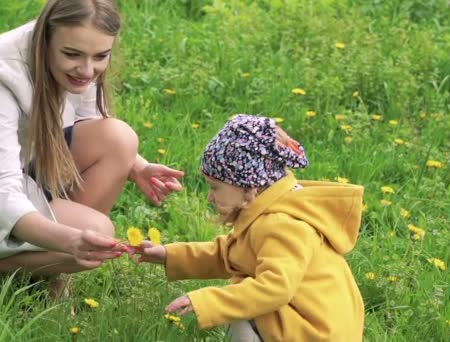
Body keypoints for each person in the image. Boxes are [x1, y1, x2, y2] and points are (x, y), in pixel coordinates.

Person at [0, 0, 184, 291]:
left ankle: (50, 271)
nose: (86, 69)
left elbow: (90, 120)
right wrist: (69, 241)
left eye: (101, 56)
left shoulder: (77, 51)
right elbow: (0, 192)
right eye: (73, 54)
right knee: (95, 231)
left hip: (15, 171)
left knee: (120, 140)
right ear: (46, 38)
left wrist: (138, 165)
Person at [134, 114, 365, 341]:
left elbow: (275, 289)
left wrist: (209, 301)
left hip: (316, 332)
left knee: (243, 304)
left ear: (249, 188)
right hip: (314, 324)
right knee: (241, 295)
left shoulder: (281, 225)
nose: (210, 197)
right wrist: (168, 255)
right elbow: (231, 253)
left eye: (215, 187)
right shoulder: (269, 210)